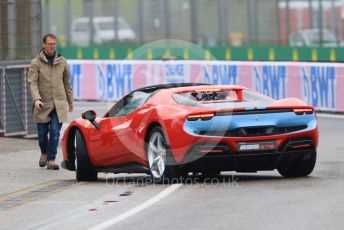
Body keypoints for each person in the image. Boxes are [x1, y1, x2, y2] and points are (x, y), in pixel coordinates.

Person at [28, 33, 74, 170]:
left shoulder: (62, 61)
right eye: (49, 44)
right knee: (42, 136)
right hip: (42, 104)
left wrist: (70, 101)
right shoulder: (36, 62)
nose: (52, 46)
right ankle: (43, 152)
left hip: (59, 105)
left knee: (54, 132)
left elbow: (67, 82)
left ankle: (51, 159)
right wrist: (36, 99)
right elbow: (33, 82)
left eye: (54, 43)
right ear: (44, 45)